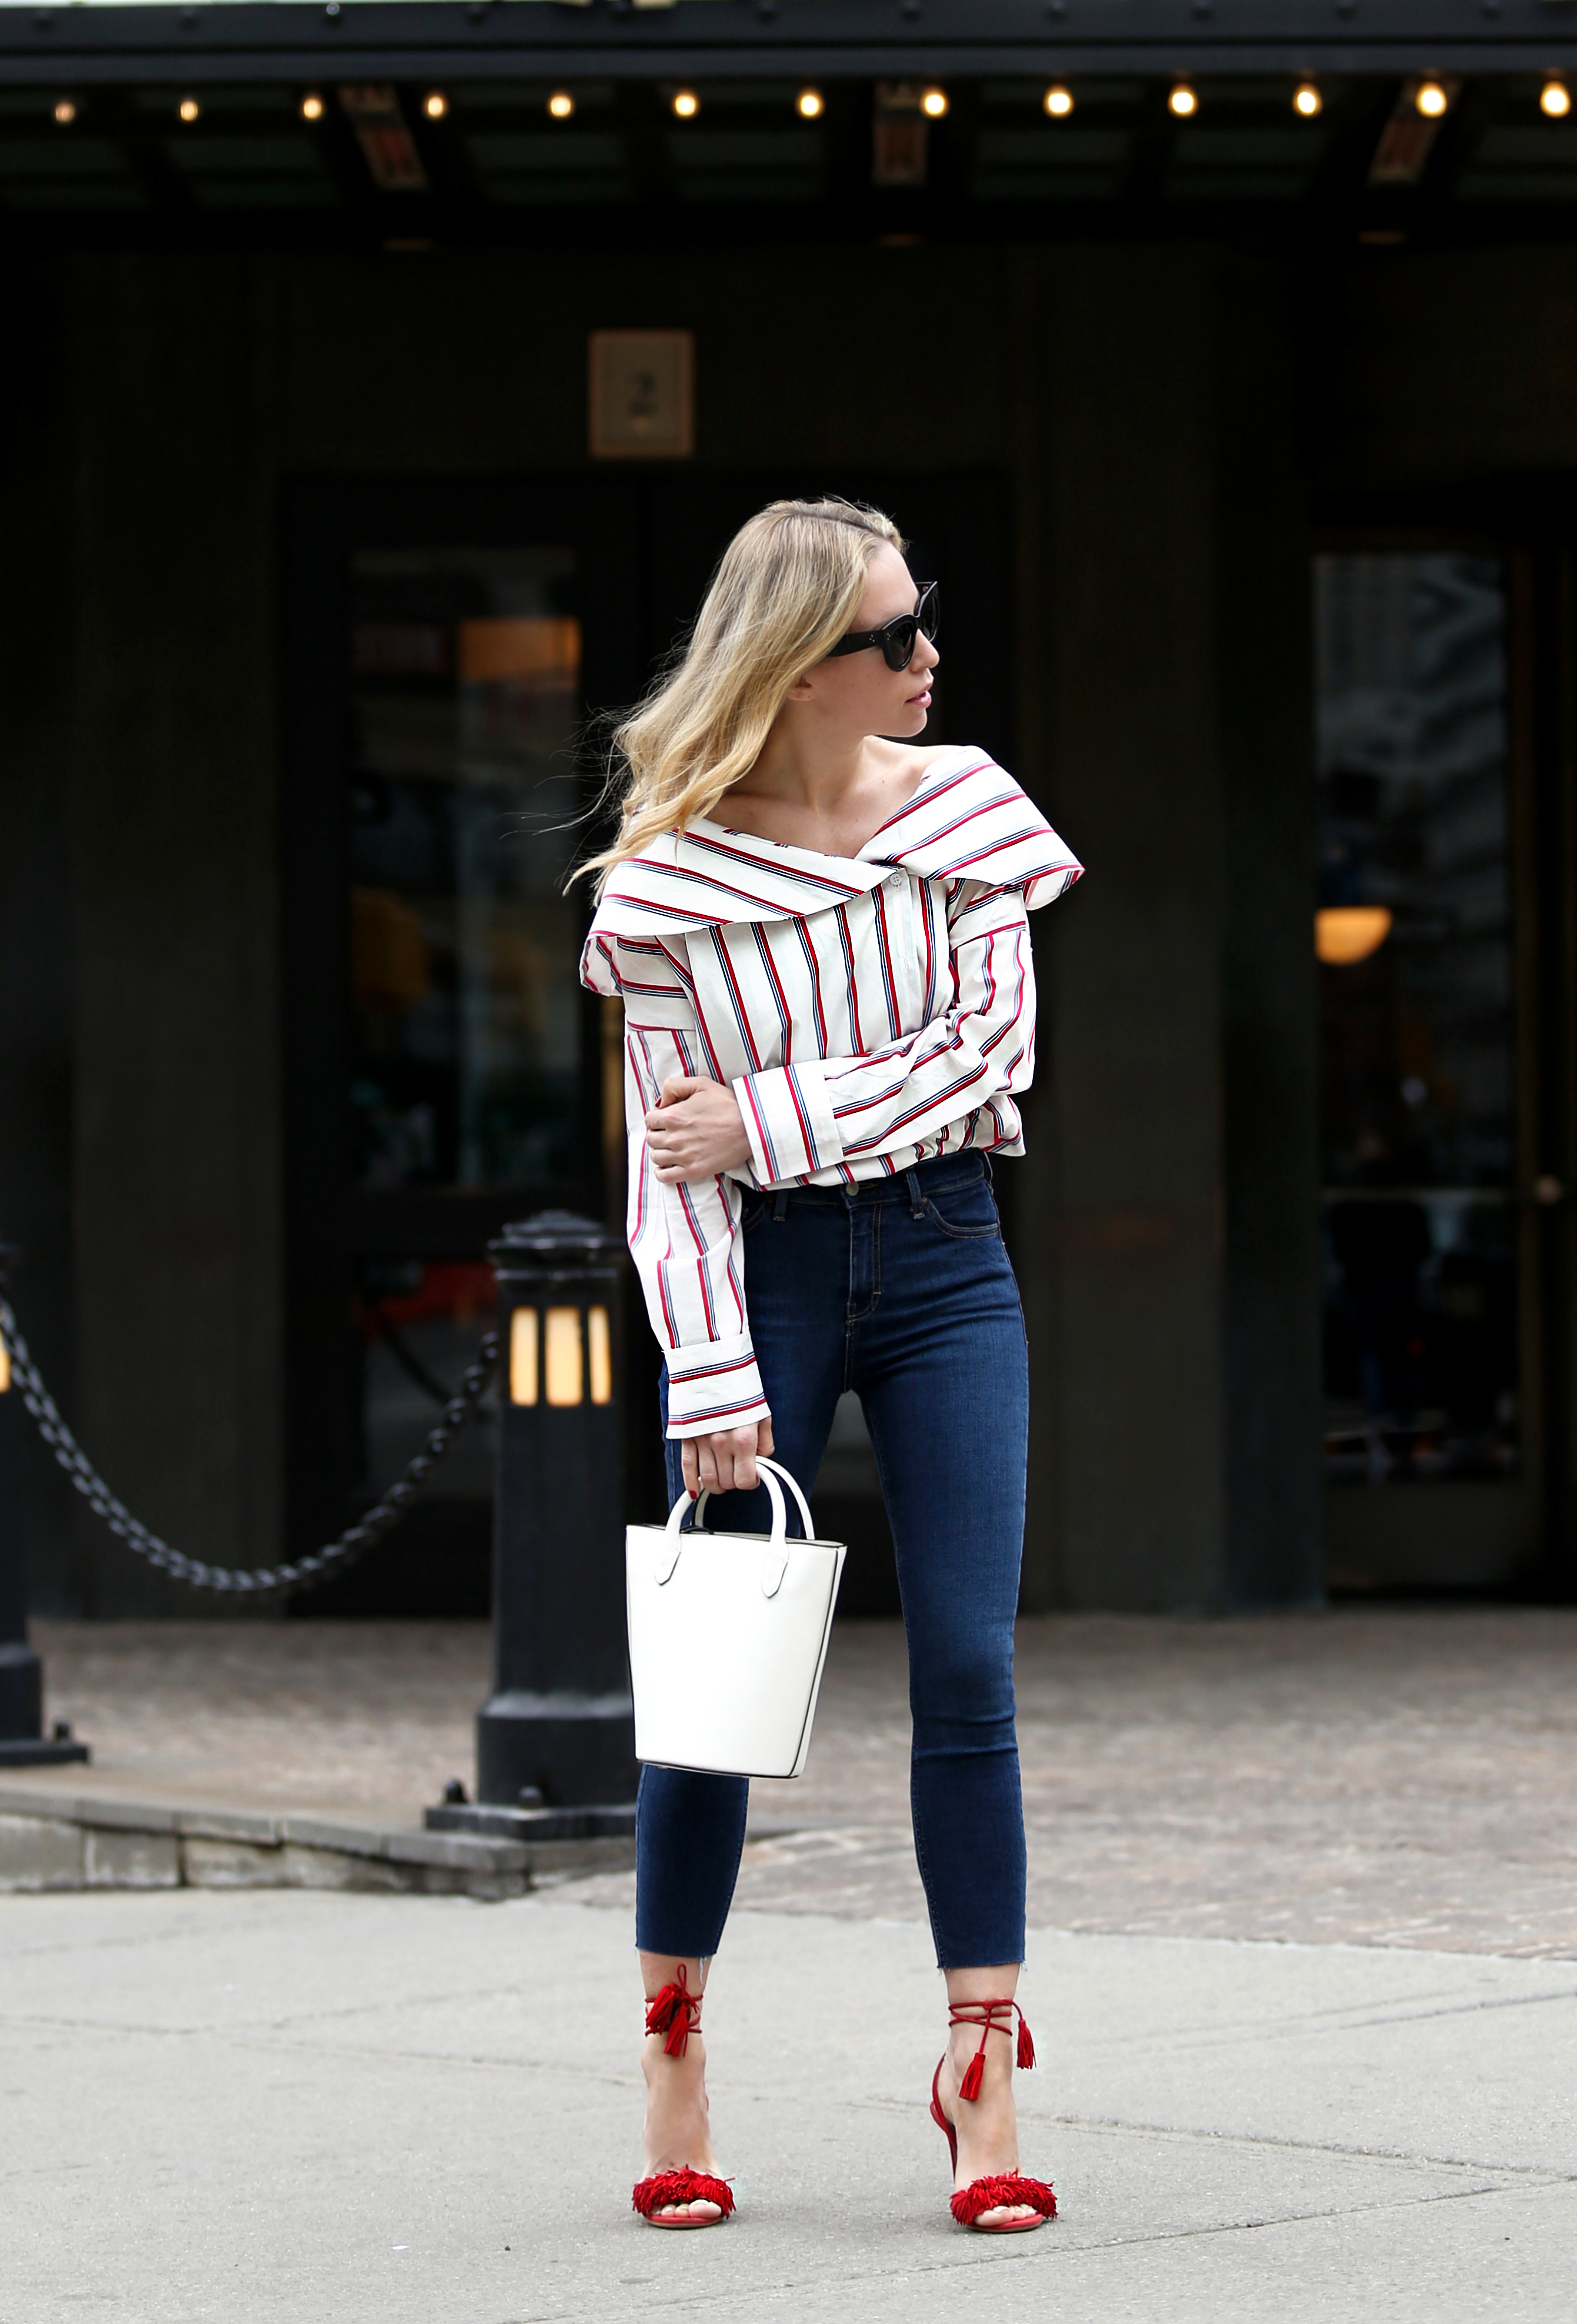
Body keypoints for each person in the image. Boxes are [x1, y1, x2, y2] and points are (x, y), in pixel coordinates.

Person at [576, 496, 1081, 2235]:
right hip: (760, 1285)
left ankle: (981, 2072)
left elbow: (988, 1057)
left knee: (968, 1665)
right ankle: (674, 2051)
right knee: (716, 1690)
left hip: (946, 1255)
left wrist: (769, 1113)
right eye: (891, 634)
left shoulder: (967, 810)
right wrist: (708, 1370)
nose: (928, 652)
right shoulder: (668, 886)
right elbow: (663, 1159)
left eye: (922, 618)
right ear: (796, 669)